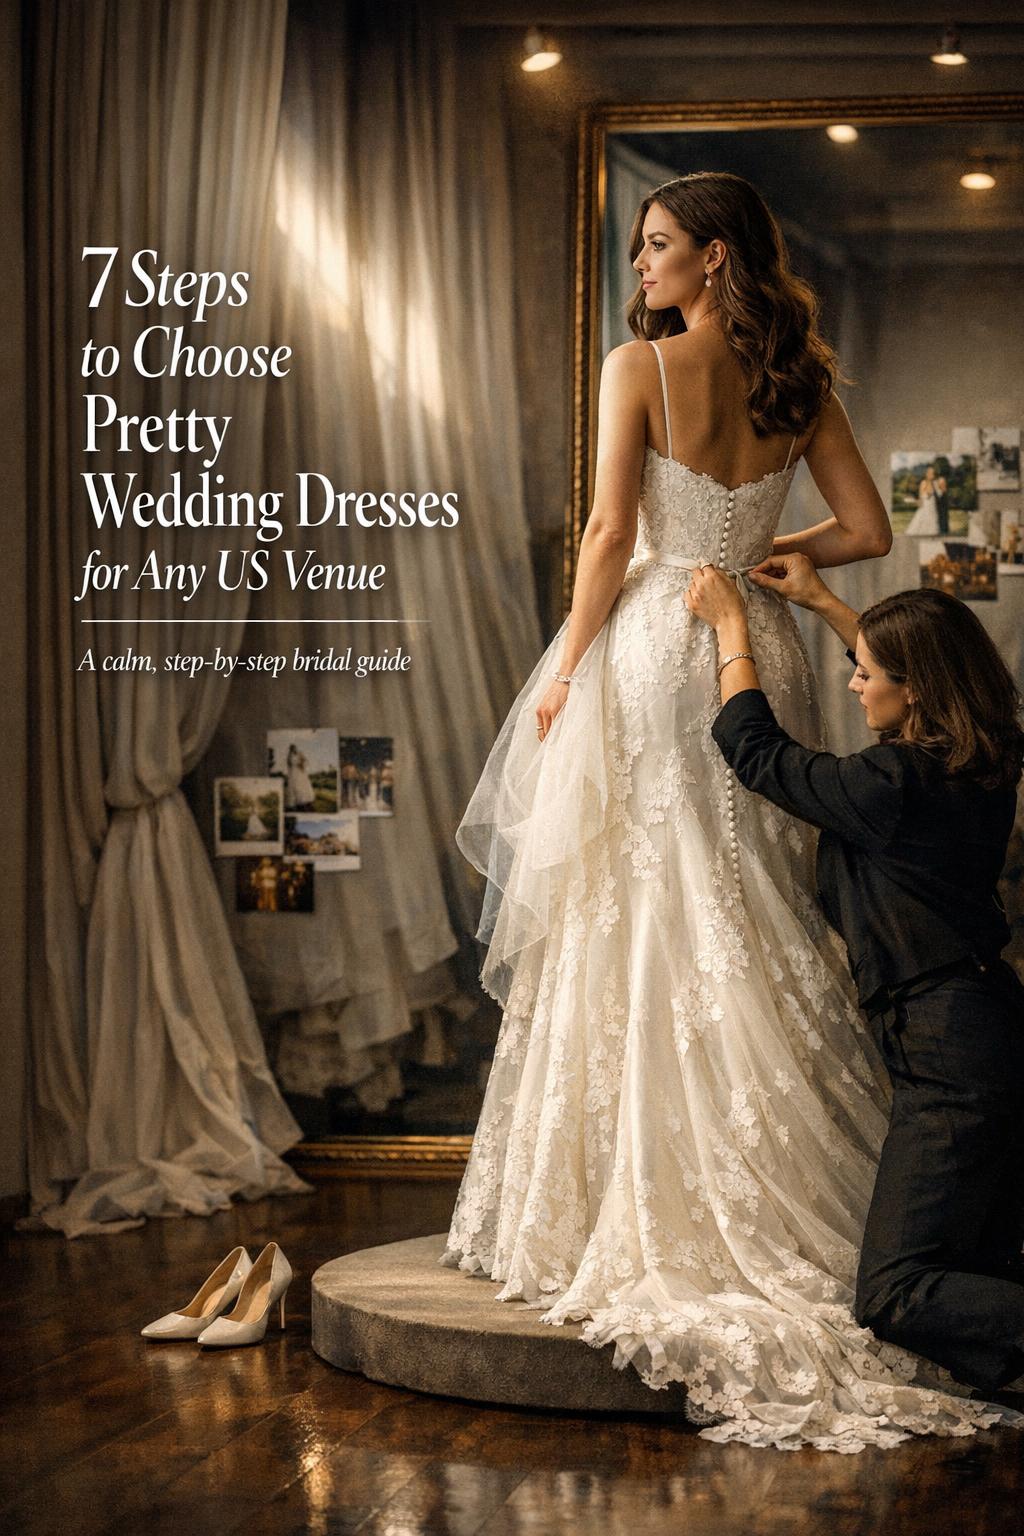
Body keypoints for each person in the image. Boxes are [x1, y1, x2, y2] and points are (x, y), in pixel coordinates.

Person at [440, 171, 1001, 1451]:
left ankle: (627, 1197)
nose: (639, 266)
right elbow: (868, 529)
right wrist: (766, 557)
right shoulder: (796, 381)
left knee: (642, 890)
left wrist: (570, 662)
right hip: (761, 648)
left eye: (656, 247)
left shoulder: (636, 366)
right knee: (749, 895)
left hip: (658, 643)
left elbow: (606, 532)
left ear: (712, 259)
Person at [687, 552, 1024, 1409]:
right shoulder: (987, 756)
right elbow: (922, 676)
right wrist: (825, 602)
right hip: (983, 1026)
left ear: (913, 691)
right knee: (983, 1263)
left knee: (895, 1291)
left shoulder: (891, 783)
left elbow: (757, 753)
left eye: (866, 673)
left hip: (950, 1052)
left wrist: (732, 628)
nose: (851, 684)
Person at [904, 465, 940, 537]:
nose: (931, 475)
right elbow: (921, 494)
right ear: (927, 474)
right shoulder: (924, 482)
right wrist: (923, 499)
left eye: (932, 473)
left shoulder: (934, 483)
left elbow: (937, 494)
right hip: (926, 503)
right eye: (930, 473)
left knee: (932, 517)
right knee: (923, 516)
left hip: (932, 503)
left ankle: (931, 533)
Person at [287, 743, 315, 810]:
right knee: (295, 785)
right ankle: (296, 801)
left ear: (296, 748)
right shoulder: (289, 756)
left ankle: (305, 800)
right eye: (292, 748)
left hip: (300, 771)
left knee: (302, 784)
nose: (294, 749)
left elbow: (305, 760)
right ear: (290, 749)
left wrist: (301, 764)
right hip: (294, 771)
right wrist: (292, 768)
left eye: (294, 748)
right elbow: (289, 764)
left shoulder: (300, 753)